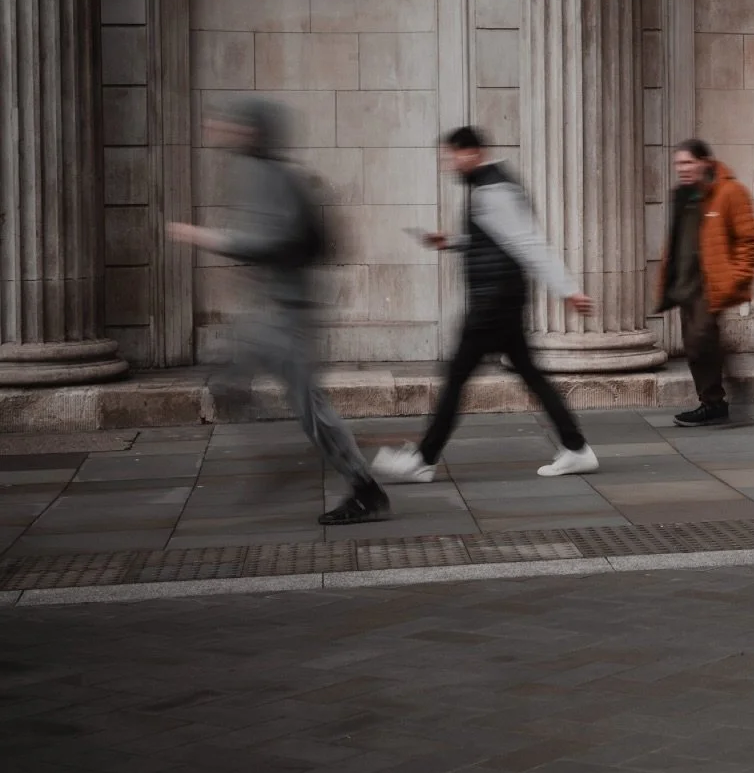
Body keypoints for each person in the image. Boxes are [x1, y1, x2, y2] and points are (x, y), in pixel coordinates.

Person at [168, 99, 390, 526]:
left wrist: (208, 238)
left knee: (311, 408)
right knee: (234, 382)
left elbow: (271, 241)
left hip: (290, 314)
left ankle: (362, 488)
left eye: (230, 124)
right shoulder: (260, 172)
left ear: (253, 131)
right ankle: (285, 464)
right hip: (274, 313)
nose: (219, 130)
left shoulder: (269, 176)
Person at [372, 128, 597, 485]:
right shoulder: (488, 185)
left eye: (453, 156)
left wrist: (567, 289)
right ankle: (577, 448)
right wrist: (453, 241)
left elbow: (527, 242)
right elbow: (496, 240)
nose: (450, 165)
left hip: (493, 301)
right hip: (502, 299)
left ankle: (424, 459)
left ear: (473, 152)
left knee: (457, 377)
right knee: (529, 375)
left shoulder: (493, 190)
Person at [656, 138, 754, 426]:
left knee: (702, 339)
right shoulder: (683, 196)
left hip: (710, 285)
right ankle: (714, 400)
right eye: (678, 163)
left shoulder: (729, 192)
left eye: (688, 162)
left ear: (705, 162)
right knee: (695, 344)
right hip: (684, 285)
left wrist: (736, 278)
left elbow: (750, 240)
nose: (682, 168)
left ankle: (715, 401)